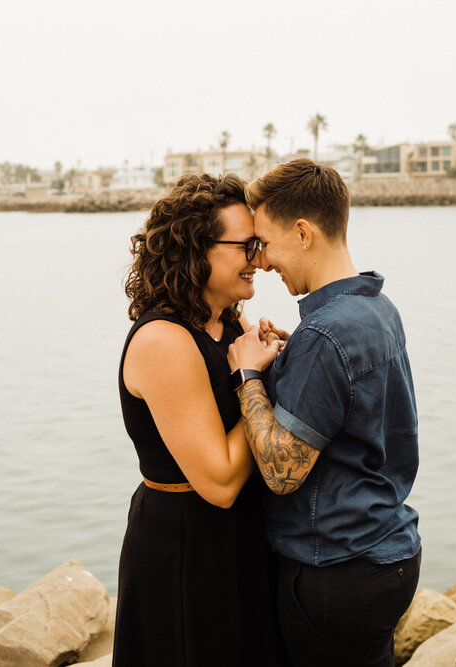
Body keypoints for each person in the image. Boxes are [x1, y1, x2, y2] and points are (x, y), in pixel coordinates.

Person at [227, 158, 421, 667]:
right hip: (390, 553)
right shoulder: (377, 308)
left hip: (336, 568)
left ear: (303, 232)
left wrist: (248, 375)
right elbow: (355, 404)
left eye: (265, 243)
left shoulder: (324, 336)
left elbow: (280, 471)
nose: (263, 261)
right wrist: (293, 362)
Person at [113, 172, 285, 667]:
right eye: (246, 245)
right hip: (186, 546)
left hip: (241, 536)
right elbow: (221, 481)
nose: (259, 259)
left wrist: (274, 356)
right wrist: (256, 377)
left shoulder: (229, 320)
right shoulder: (164, 341)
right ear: (197, 249)